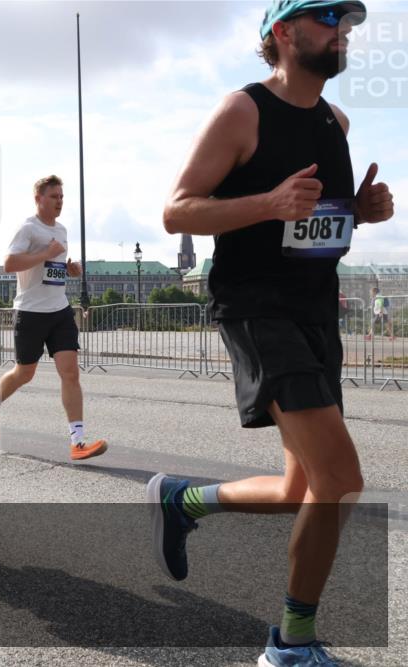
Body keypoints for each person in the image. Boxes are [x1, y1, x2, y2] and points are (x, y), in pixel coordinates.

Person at [155, 1, 392, 664]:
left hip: (315, 312)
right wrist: (267, 202)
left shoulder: (335, 120)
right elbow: (176, 211)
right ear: (283, 33)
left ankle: (182, 501)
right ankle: (289, 644)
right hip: (256, 308)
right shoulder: (243, 111)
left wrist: (360, 212)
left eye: (348, 24)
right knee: (339, 477)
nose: (342, 32)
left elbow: (315, 219)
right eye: (327, 19)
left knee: (301, 488)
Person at [0, 175, 108, 461]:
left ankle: (77, 442)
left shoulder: (61, 230)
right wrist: (45, 253)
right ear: (38, 198)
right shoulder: (28, 228)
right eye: (54, 196)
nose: (59, 201)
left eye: (61, 197)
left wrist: (69, 268)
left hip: (59, 310)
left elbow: (53, 267)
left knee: (70, 373)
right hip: (30, 312)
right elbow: (9, 263)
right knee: (24, 373)